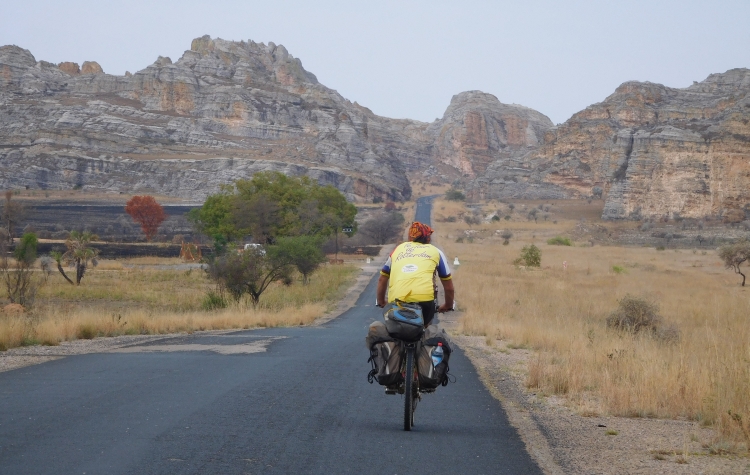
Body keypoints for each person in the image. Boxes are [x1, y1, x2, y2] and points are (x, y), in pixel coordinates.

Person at [376, 221, 454, 326]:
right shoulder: (436, 252)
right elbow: (448, 287)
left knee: (394, 328)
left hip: (398, 299)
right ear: (428, 238)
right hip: (424, 300)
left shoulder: (398, 250)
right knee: (425, 327)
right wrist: (448, 305)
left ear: (410, 237)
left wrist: (381, 301)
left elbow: (382, 279)